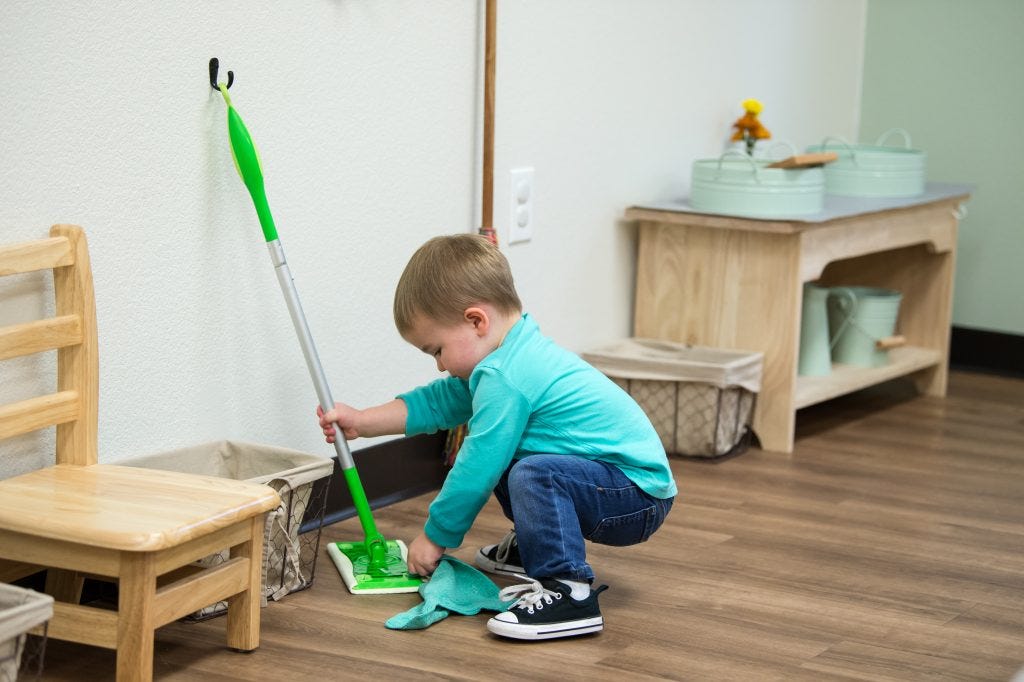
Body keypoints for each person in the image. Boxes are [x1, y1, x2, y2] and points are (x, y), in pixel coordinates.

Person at [318, 233, 676, 641]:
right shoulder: (509, 353)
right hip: (617, 485)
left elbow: (476, 466)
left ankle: (570, 592)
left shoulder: (507, 376)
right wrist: (363, 421)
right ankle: (535, 548)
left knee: (531, 472)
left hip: (635, 496)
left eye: (436, 350)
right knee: (520, 461)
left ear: (476, 321)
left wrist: (435, 536)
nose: (439, 366)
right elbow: (438, 402)